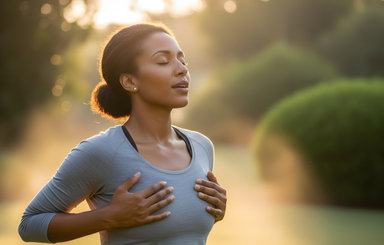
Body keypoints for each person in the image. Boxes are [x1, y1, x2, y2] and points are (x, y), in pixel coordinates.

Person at [18, 23, 227, 245]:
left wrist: (216, 211)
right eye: (163, 61)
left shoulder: (201, 146)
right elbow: (29, 225)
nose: (182, 69)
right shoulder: (101, 151)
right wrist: (108, 217)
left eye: (182, 60)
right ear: (129, 81)